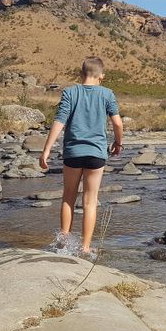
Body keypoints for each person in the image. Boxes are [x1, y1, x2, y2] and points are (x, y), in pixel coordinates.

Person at [39, 56, 123, 255]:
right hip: (96, 154)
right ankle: (85, 248)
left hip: (73, 153)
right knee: (90, 201)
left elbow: (60, 121)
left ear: (81, 74)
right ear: (101, 76)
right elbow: (118, 123)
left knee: (68, 197)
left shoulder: (70, 92)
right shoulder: (107, 94)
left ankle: (63, 244)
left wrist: (47, 149)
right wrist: (118, 143)